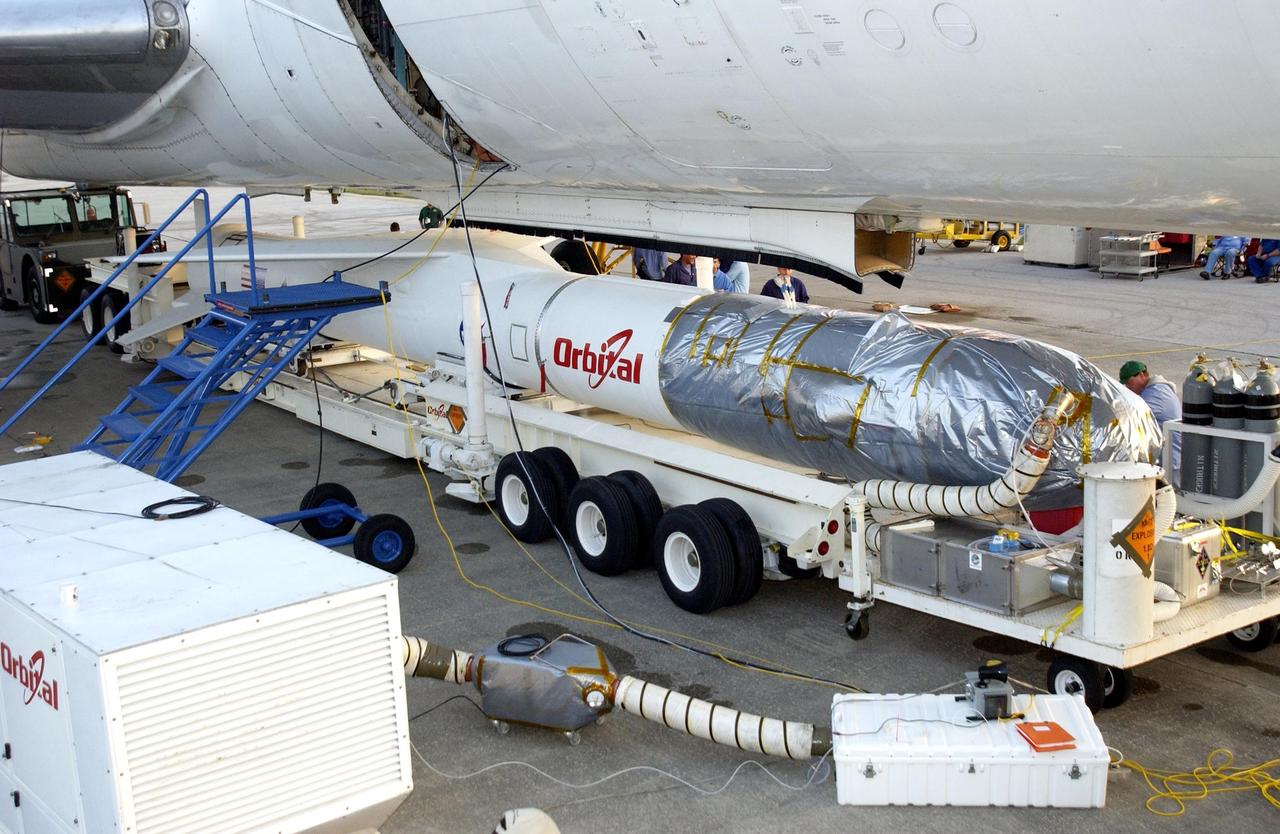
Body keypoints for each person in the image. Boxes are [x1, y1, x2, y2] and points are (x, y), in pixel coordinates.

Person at [1120, 360, 1181, 467]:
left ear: (1142, 375)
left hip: (1172, 459)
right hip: (1168, 455)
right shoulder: (1157, 389)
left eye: (1129, 383)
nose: (1128, 388)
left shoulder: (1155, 393)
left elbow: (1130, 414)